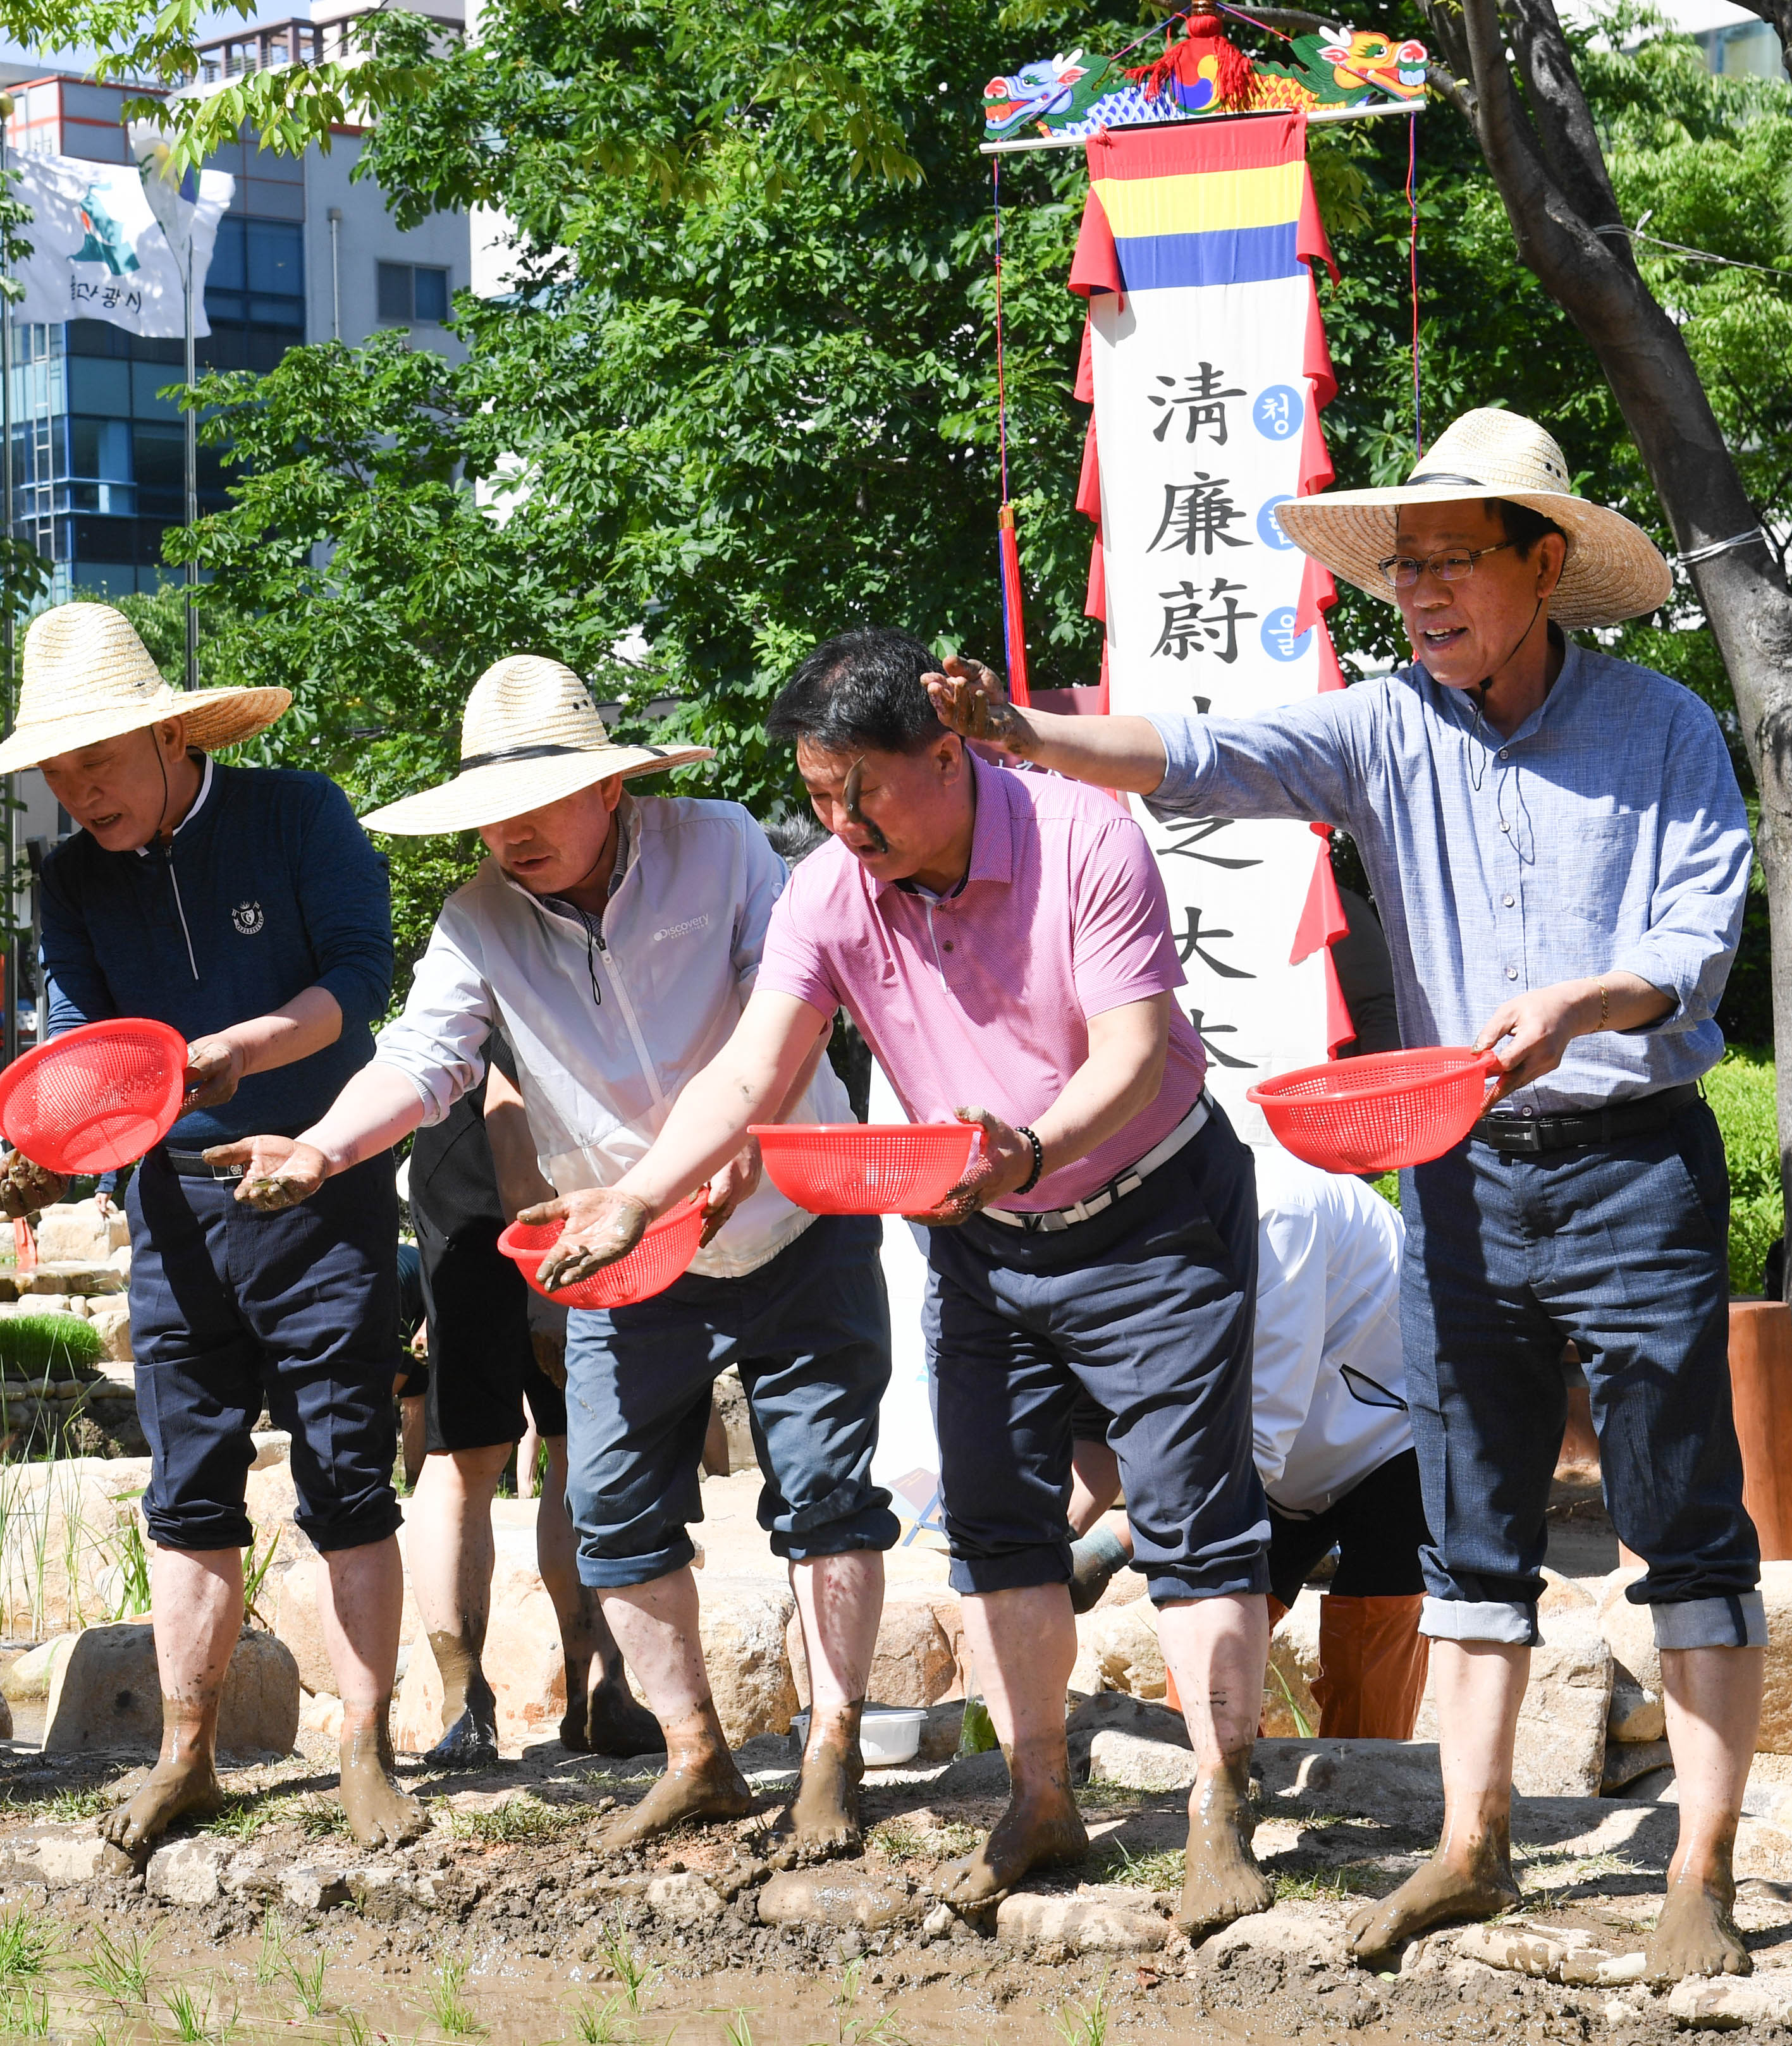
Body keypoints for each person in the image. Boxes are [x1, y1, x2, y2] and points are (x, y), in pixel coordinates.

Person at [926, 405, 1760, 1978]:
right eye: (1405, 570)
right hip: (1454, 1167)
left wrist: (1575, 1005)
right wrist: (1024, 736)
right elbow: (1201, 757)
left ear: (1540, 561)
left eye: (1453, 560)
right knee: (1468, 1526)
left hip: (1634, 1161)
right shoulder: (1383, 724)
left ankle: (1699, 1871)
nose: (1425, 592)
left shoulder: (1658, 730)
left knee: (1683, 1522)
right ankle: (1468, 1844)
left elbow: (1694, 939)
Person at [540, 628, 1281, 1935]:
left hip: (1150, 1211)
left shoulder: (1081, 838)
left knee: (1188, 1516)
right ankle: (1037, 1797)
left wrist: (1032, 1147)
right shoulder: (827, 890)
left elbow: (1129, 1051)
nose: (840, 824)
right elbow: (748, 1071)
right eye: (819, 797)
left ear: (945, 754)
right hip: (978, 1236)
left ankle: (1221, 1803)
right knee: (996, 1520)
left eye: (860, 792)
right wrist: (640, 1196)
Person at [221, 655, 894, 1854]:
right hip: (623, 1248)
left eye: (539, 807)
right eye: (493, 817)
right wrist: (321, 1149)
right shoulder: (476, 917)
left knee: (828, 1496)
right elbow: (423, 1059)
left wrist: (742, 1142)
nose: (512, 835)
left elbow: (780, 1012)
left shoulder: (727, 842)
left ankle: (833, 1745)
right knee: (617, 1509)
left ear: (613, 790)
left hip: (794, 1212)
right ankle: (697, 1754)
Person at [0, 601, 422, 1853]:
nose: (76, 790)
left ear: (170, 733)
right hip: (173, 1212)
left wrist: (232, 1056)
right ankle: (184, 1750)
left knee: (348, 1475)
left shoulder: (299, 814)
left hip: (317, 1179)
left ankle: (363, 1748)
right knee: (185, 1489)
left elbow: (356, 984)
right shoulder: (71, 878)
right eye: (55, 769)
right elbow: (89, 1055)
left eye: (97, 758)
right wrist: (51, 1154)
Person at [1062, 1142, 1432, 1741]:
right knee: (1204, 1646)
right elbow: (1107, 1424)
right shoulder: (1127, 1247)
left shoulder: (1282, 1215)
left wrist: (1111, 1544)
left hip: (1391, 1435)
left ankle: (1369, 1813)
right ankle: (1219, 1774)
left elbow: (1258, 1441)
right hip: (1264, 1455)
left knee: (1371, 1663)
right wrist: (1057, 1541)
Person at [399, 1041, 663, 1768]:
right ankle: (465, 1700)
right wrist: (548, 1297)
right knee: (470, 1450)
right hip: (472, 1180)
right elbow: (508, 1117)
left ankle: (600, 1690)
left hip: (585, 1178)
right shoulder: (498, 942)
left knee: (586, 1439)